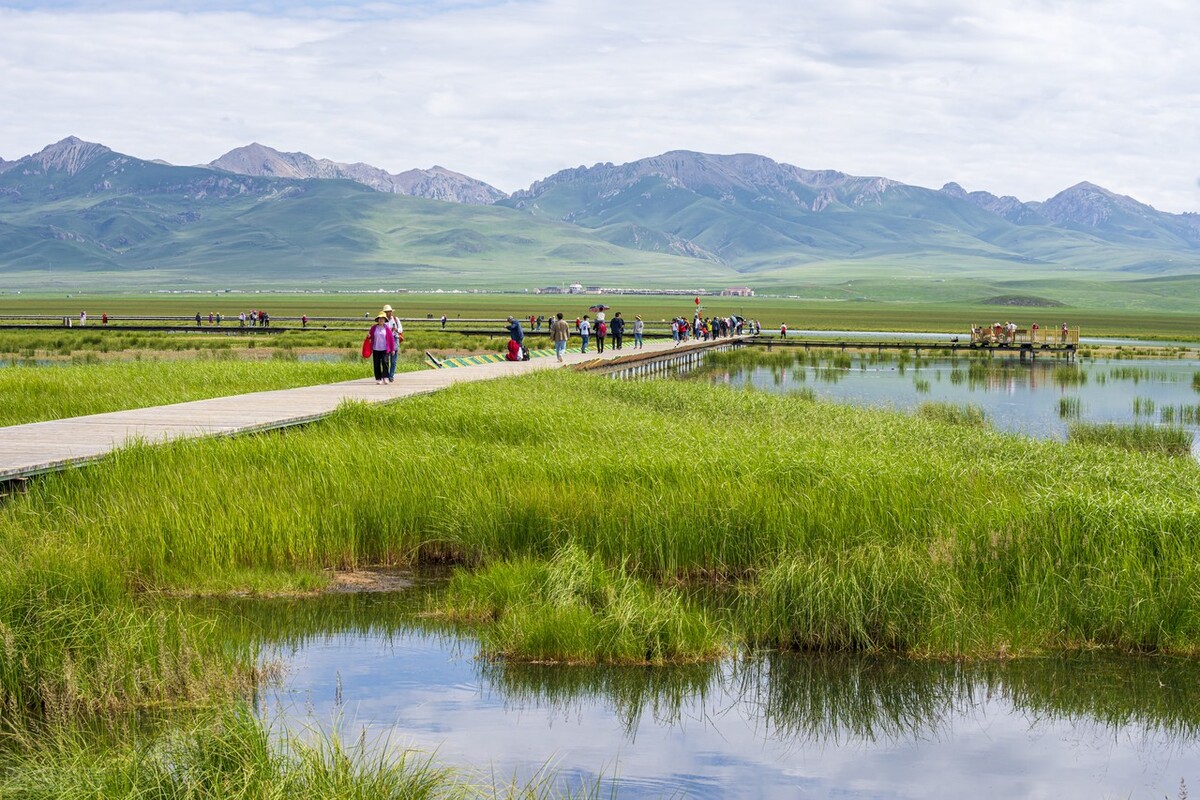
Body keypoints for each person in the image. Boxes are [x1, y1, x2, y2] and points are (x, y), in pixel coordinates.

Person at [368, 311, 396, 385]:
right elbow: (370, 336)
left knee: (385, 363)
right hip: (376, 349)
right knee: (376, 364)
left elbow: (391, 340)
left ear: (385, 320)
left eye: (383, 319)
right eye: (380, 319)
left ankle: (386, 378)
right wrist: (369, 336)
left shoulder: (387, 329)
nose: (381, 320)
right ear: (377, 320)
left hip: (385, 349)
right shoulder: (373, 328)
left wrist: (392, 349)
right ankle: (378, 378)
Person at [383, 305, 403, 383]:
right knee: (385, 359)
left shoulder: (395, 319)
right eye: (387, 312)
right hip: (386, 340)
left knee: (393, 360)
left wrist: (396, 329)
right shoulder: (383, 320)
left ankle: (391, 376)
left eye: (389, 311)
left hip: (394, 339)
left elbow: (401, 330)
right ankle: (386, 375)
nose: (389, 313)